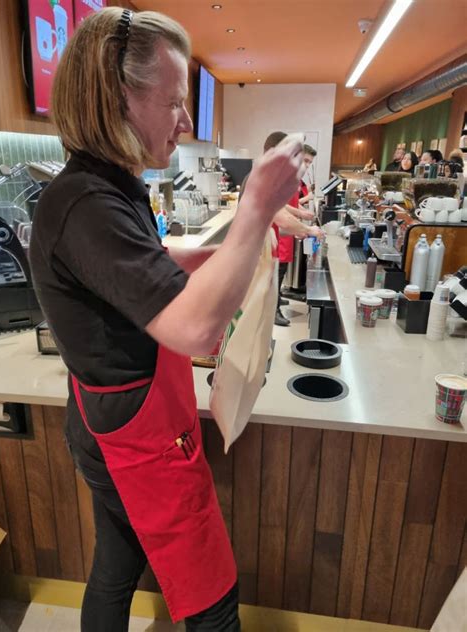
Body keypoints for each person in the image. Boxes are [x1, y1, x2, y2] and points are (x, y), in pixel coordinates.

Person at [29, 9, 306, 632]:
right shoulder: (85, 203)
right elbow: (194, 331)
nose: (185, 122)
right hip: (134, 436)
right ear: (119, 98)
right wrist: (257, 207)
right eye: (175, 102)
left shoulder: (103, 185)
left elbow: (146, 261)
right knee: (212, 594)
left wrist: (233, 246)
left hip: (110, 419)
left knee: (116, 565)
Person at [239, 133, 322, 326]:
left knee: (262, 319)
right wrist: (308, 231)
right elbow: (281, 218)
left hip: (263, 253)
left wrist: (299, 230)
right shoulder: (260, 180)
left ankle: (262, 353)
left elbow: (274, 224)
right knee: (252, 319)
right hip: (253, 257)